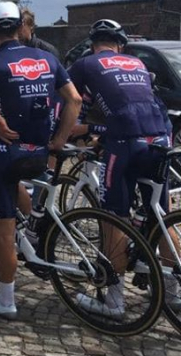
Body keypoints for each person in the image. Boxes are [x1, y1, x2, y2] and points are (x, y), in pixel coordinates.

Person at [0, 2, 81, 319]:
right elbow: (74, 99)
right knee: (27, 194)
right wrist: (59, 140)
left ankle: (6, 301)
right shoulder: (48, 59)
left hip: (6, 154)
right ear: (20, 26)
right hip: (40, 152)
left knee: (4, 233)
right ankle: (37, 232)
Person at [67, 19, 172, 317]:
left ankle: (114, 303)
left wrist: (72, 133)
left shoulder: (86, 64)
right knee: (160, 218)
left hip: (126, 143)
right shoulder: (137, 63)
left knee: (114, 219)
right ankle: (173, 290)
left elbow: (70, 101)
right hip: (160, 139)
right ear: (121, 45)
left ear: (93, 45)